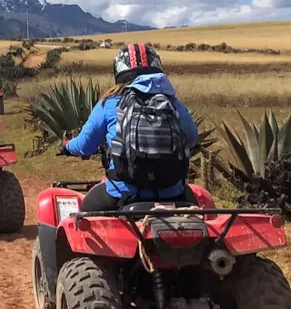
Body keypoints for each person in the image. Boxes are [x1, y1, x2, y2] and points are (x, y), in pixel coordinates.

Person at [61, 43, 198, 212]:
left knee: (85, 214)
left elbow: (84, 145)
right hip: (173, 194)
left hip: (122, 195)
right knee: (198, 211)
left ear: (119, 71)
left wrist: (67, 147)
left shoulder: (110, 103)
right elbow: (191, 139)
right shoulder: (173, 103)